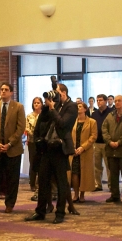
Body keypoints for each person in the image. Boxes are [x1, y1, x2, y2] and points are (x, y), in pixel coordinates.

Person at [25, 83, 78, 224]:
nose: (54, 96)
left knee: (61, 183)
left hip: (60, 149)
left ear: (64, 93)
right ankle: (40, 211)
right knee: (42, 181)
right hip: (46, 149)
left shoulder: (71, 107)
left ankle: (60, 212)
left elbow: (62, 124)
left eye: (57, 93)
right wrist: (37, 138)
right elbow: (40, 123)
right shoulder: (50, 107)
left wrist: (53, 108)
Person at [0, 82, 26, 213]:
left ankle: (9, 204)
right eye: (2, 89)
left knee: (12, 178)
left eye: (6, 90)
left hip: (13, 149)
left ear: (11, 92)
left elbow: (21, 127)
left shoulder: (18, 107)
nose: (3, 91)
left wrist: (9, 143)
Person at [70, 101, 97, 203]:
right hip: (74, 151)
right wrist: (72, 148)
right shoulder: (73, 121)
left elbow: (93, 136)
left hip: (85, 151)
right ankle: (76, 194)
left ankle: (82, 194)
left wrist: (83, 147)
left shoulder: (92, 122)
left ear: (85, 109)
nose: (78, 108)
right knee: (74, 172)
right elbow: (68, 134)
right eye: (77, 107)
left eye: (80, 106)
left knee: (84, 173)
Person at [91, 94, 112, 192]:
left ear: (106, 101)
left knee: (109, 166)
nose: (99, 102)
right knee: (96, 166)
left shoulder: (111, 112)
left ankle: (111, 185)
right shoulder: (94, 114)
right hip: (96, 143)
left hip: (107, 143)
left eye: (100, 100)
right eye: (97, 100)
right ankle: (98, 184)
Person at [26, 97, 43, 201]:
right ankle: (32, 183)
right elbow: (27, 128)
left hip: (42, 141)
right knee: (33, 162)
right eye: (35, 103)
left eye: (38, 103)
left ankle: (40, 182)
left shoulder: (44, 115)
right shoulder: (29, 116)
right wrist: (35, 135)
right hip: (32, 141)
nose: (36, 104)